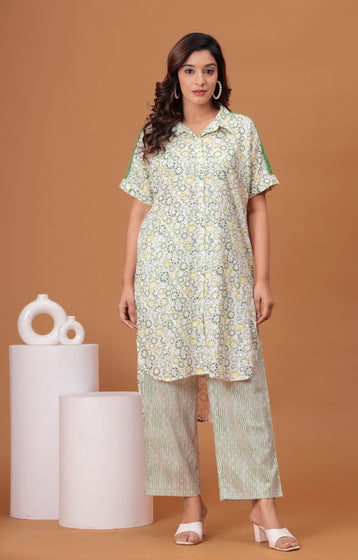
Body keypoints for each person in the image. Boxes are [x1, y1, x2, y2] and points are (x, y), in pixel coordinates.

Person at [117, 32, 300, 551]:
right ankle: (191, 505)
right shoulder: (154, 135)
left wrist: (262, 278)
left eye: (209, 70)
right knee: (168, 390)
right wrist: (127, 281)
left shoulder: (241, 131)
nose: (200, 80)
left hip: (225, 278)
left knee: (241, 386)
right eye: (190, 70)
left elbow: (257, 206)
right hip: (165, 281)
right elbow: (139, 210)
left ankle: (263, 508)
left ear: (220, 77)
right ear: (175, 77)